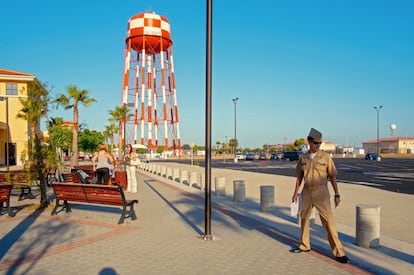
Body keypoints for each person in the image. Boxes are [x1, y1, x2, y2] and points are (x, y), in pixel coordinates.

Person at [290, 128, 349, 264]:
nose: (318, 145)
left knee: (328, 222)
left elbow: (332, 176)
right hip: (306, 191)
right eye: (316, 143)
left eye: (320, 143)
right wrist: (295, 194)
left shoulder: (325, 157)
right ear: (309, 141)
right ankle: (304, 245)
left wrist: (337, 194)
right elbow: (299, 177)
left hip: (321, 192)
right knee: (304, 218)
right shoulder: (303, 157)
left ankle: (339, 252)